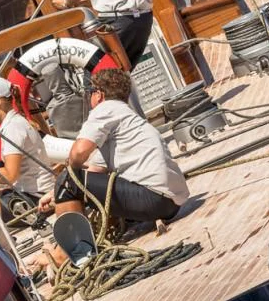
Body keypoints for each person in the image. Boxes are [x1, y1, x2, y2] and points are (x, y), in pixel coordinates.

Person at [42, 67, 189, 226]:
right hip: (171, 204)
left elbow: (78, 153)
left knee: (68, 179)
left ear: (99, 94)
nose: (89, 96)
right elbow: (96, 169)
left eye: (91, 91)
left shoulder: (105, 109)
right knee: (70, 181)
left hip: (153, 198)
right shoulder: (125, 115)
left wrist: (65, 183)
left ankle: (70, 249)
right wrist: (54, 193)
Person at [0, 75, 57, 200]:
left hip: (36, 194)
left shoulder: (12, 128)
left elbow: (10, 175)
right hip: (37, 189)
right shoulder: (15, 122)